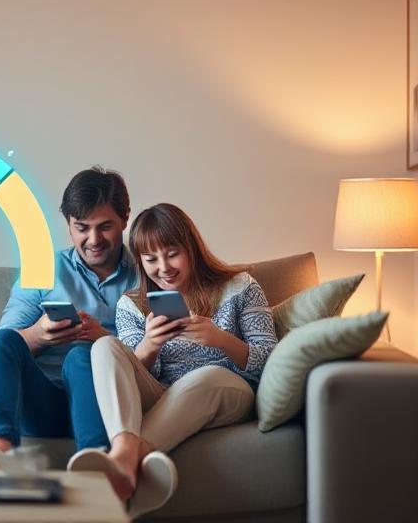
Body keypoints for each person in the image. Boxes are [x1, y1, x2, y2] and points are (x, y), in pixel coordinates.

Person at [0, 166, 137, 471]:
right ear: (68, 223)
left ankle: (96, 460)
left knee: (82, 355)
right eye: (82, 227)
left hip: (107, 402)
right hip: (42, 404)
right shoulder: (44, 269)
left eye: (105, 227)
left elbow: (157, 356)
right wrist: (40, 335)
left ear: (125, 219)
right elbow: (6, 343)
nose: (93, 239)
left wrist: (104, 340)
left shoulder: (146, 273)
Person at [81, 203, 277, 518]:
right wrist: (149, 346)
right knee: (104, 346)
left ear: (192, 248)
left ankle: (125, 462)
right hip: (162, 394)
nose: (163, 268)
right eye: (150, 259)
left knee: (206, 376)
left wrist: (222, 340)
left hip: (225, 389)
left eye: (172, 254)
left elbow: (269, 358)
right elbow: (129, 376)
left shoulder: (241, 286)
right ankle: (125, 453)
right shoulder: (132, 305)